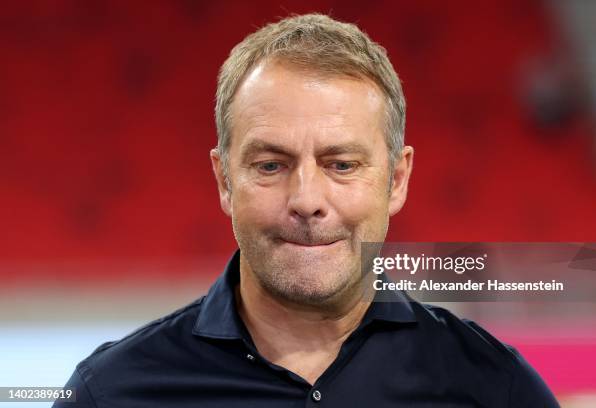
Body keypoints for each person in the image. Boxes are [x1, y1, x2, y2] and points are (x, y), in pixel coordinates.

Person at [54, 13, 560, 407]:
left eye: (340, 164)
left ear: (397, 179)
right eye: (271, 165)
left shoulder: (496, 389)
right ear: (224, 180)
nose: (307, 201)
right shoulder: (112, 393)